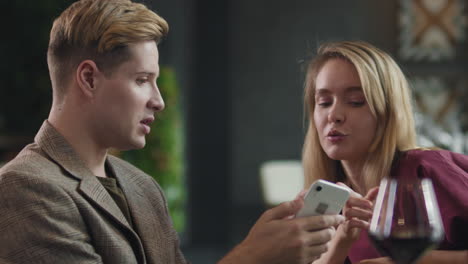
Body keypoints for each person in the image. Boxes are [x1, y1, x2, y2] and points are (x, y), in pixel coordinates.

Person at [0, 0, 344, 263]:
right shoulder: (24, 187)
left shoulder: (141, 185)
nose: (159, 101)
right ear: (89, 78)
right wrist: (252, 255)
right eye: (142, 80)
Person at [301, 40, 468, 264]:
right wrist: (341, 240)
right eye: (324, 102)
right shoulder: (333, 202)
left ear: (387, 112)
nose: (334, 115)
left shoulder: (425, 168)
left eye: (355, 101)